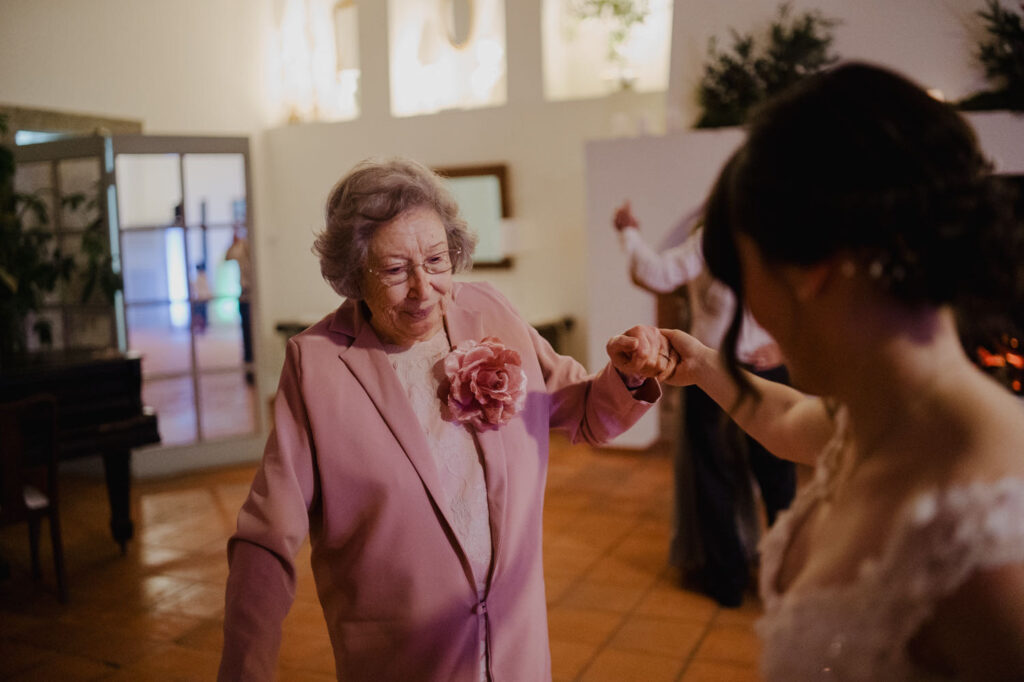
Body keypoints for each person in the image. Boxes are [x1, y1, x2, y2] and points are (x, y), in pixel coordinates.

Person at [218, 157, 673, 681]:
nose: (424, 288)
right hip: (403, 663)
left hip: (516, 655)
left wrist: (627, 373)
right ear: (353, 273)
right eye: (395, 270)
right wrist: (245, 669)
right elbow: (267, 535)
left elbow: (587, 409)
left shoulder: (489, 310)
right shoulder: (316, 364)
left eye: (436, 260)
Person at [646, 63, 1024, 680]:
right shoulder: (879, 416)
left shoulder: (997, 547)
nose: (751, 307)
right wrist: (704, 364)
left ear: (813, 270)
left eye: (745, 273)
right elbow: (787, 418)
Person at [613, 202, 796, 607]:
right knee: (753, 476)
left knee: (744, 476)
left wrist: (628, 233)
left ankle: (748, 579)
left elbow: (656, 273)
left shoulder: (730, 240)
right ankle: (757, 579)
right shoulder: (729, 241)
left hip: (734, 372)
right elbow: (658, 274)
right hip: (714, 371)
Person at [224, 227, 254, 383]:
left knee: (254, 334)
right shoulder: (241, 246)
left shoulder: (255, 246)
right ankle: (250, 372)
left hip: (256, 294)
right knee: (247, 335)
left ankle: (254, 370)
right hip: (245, 293)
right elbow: (228, 257)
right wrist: (234, 242)